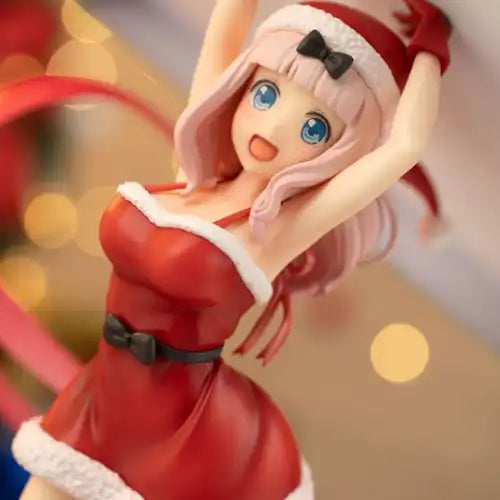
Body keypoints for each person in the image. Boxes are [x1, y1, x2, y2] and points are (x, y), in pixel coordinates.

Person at [6, 1, 451, 498]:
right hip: (101, 391)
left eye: (314, 128)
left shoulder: (276, 231)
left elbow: (403, 147)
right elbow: (227, 27)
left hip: (175, 427)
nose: (274, 128)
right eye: (266, 94)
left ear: (337, 155)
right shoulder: (193, 175)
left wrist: (431, 49)